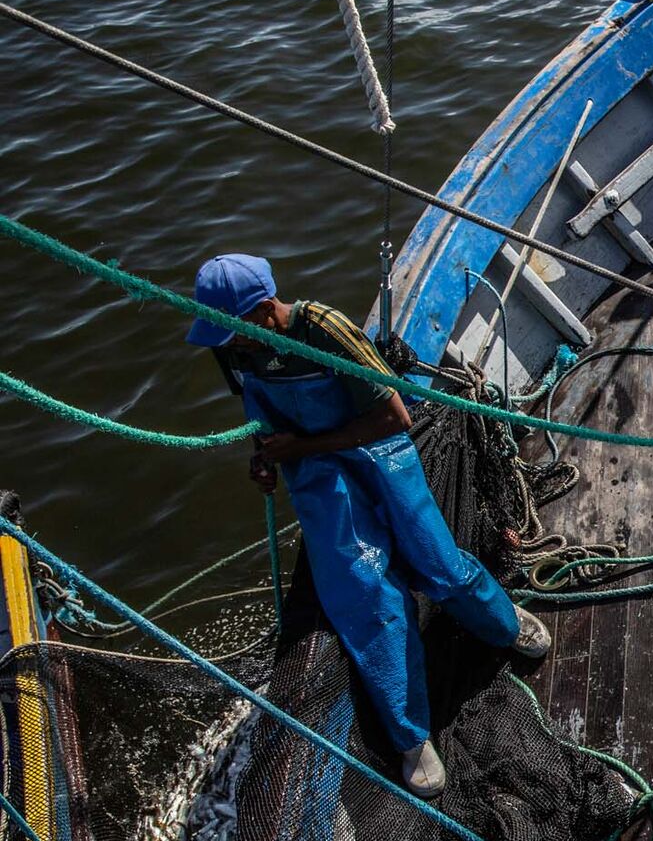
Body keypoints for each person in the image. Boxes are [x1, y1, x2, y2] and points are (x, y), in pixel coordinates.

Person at [185, 254, 550, 800]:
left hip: (375, 445)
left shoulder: (324, 328)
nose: (227, 344)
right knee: (364, 591)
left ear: (265, 311)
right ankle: (411, 735)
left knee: (436, 561)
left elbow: (394, 416)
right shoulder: (236, 350)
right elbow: (262, 422)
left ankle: (501, 621)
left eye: (233, 330)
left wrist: (301, 445)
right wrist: (264, 459)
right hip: (316, 467)